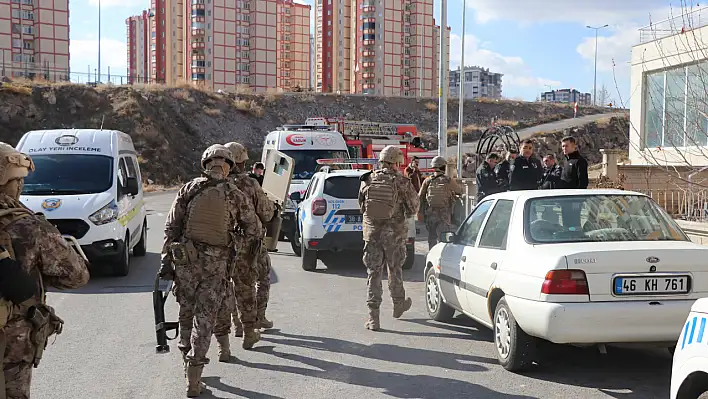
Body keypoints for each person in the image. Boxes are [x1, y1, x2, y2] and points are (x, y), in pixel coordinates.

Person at [159, 144, 261, 397]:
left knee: (186, 312)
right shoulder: (235, 194)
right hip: (216, 266)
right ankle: (194, 379)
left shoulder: (190, 188)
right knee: (204, 321)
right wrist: (235, 239)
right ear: (229, 166)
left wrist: (165, 261)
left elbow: (171, 227)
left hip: (186, 262)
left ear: (205, 164)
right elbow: (254, 230)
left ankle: (186, 366)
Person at [0, 143, 90, 399]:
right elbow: (77, 276)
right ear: (11, 182)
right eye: (19, 181)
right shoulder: (28, 226)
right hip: (11, 345)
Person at [217, 142, 276, 346]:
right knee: (258, 280)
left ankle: (237, 324)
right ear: (239, 162)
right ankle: (256, 319)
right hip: (250, 244)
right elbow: (267, 214)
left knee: (231, 285)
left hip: (223, 245)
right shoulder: (249, 184)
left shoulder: (215, 184)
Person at [359, 146, 419, 331]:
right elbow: (414, 208)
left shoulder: (367, 179)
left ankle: (373, 318)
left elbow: (361, 206)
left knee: (373, 273)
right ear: (396, 162)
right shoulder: (402, 181)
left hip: (372, 235)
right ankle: (398, 304)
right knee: (395, 270)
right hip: (394, 236)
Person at [419, 156, 462, 249]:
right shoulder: (448, 180)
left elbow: (420, 196)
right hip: (444, 214)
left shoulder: (428, 180)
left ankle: (432, 253)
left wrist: (420, 212)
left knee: (432, 237)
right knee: (444, 237)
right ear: (443, 167)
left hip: (430, 213)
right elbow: (459, 190)